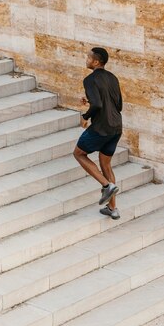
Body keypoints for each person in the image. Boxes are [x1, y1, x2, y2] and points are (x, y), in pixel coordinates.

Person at [73, 47, 123, 219]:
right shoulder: (113, 78)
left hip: (101, 128)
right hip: (116, 127)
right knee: (106, 164)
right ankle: (113, 209)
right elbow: (117, 105)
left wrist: (85, 115)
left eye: (88, 57)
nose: (86, 59)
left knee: (79, 153)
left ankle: (106, 185)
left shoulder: (90, 80)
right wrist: (91, 101)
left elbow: (98, 105)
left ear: (96, 62)